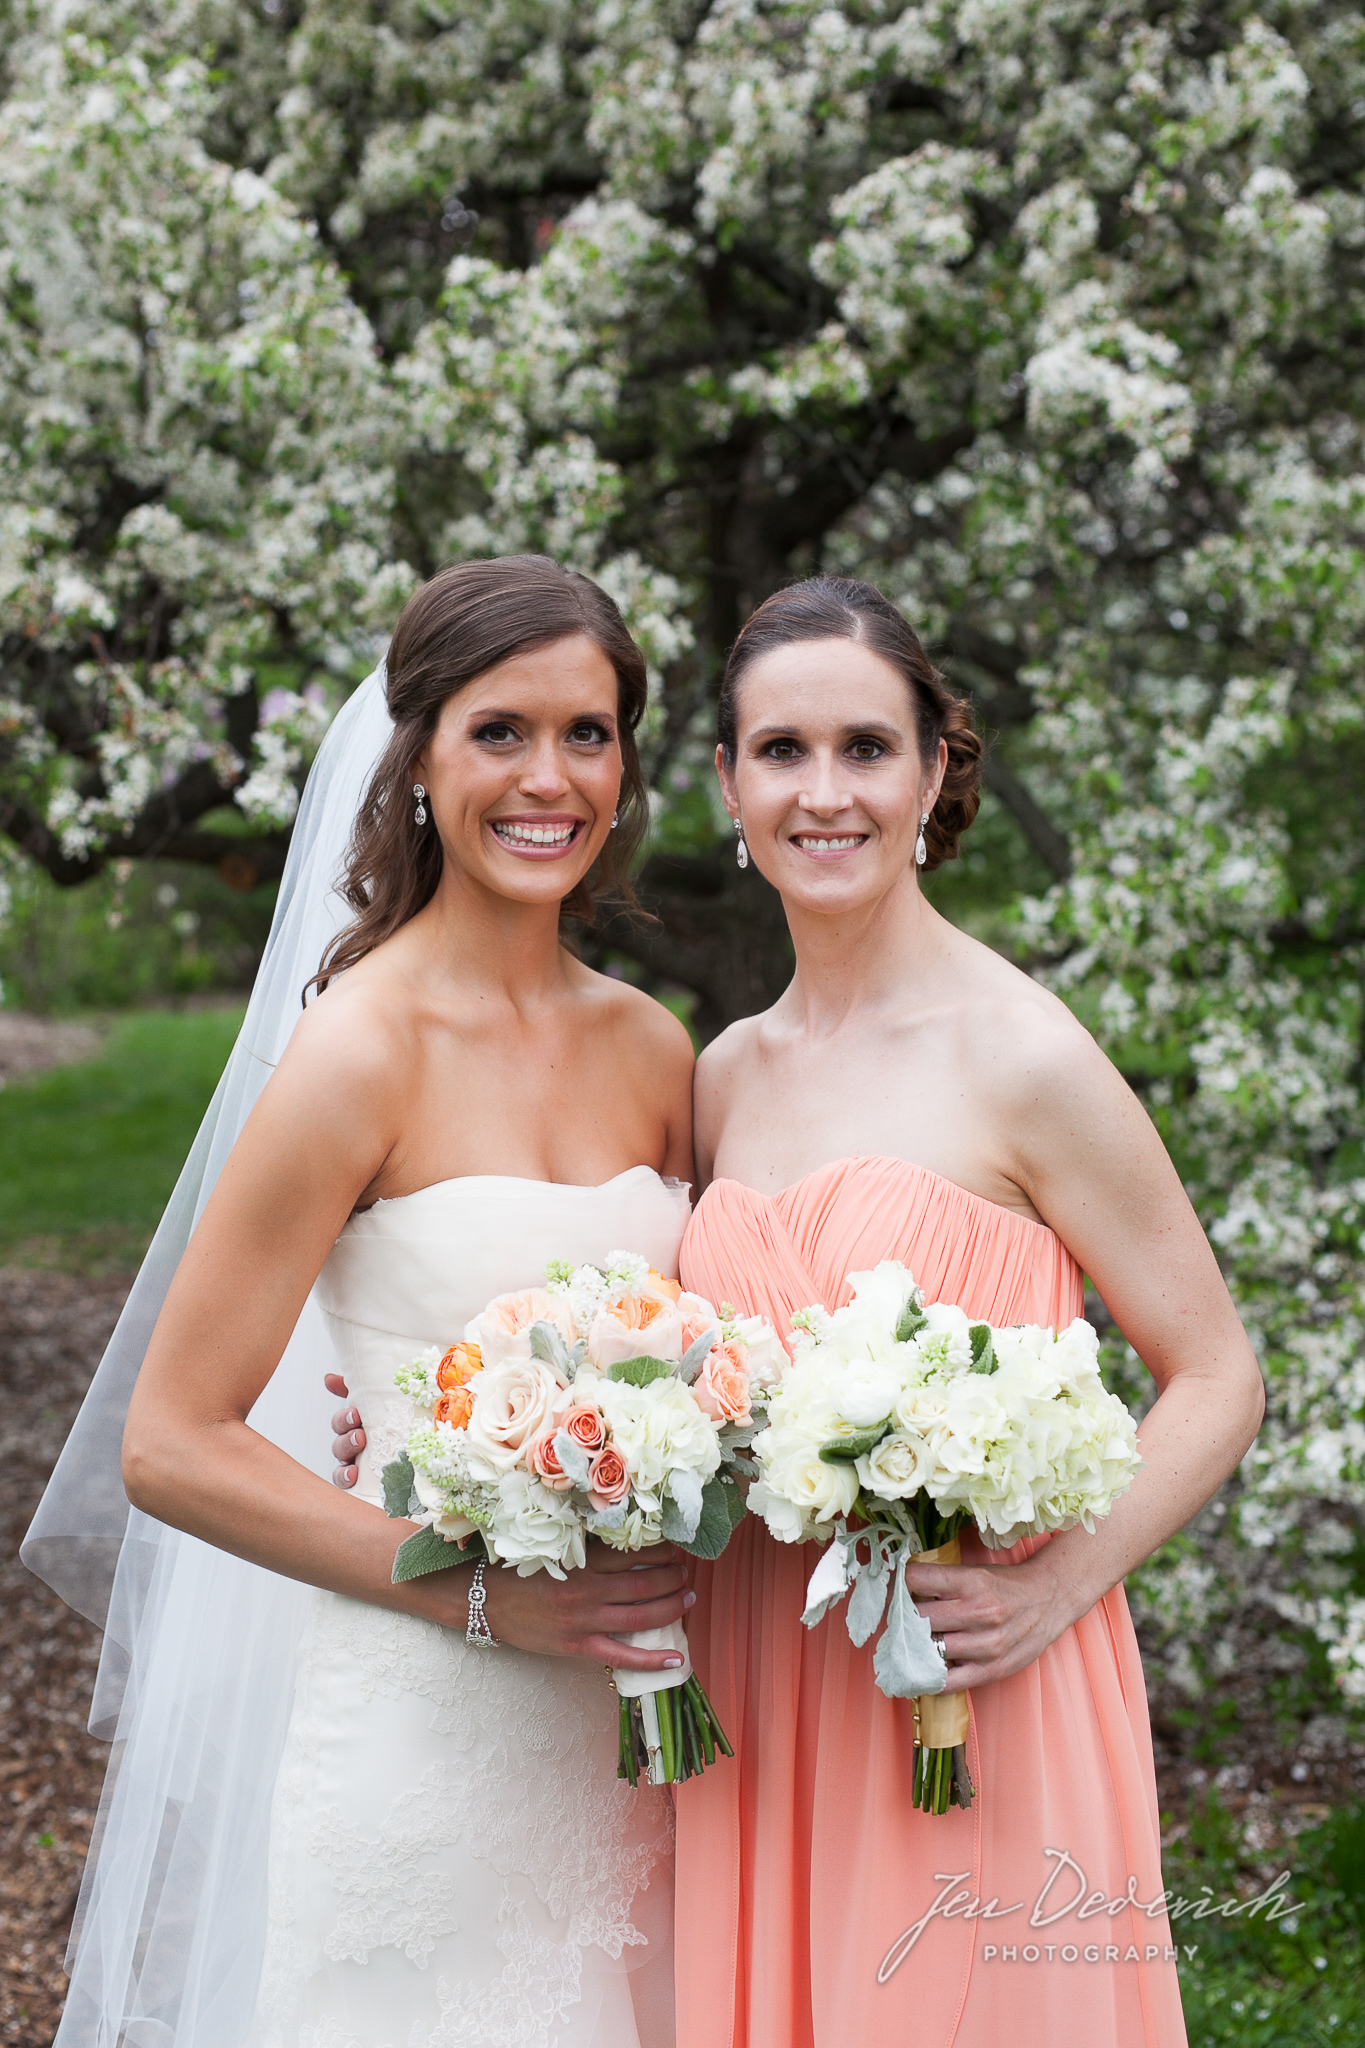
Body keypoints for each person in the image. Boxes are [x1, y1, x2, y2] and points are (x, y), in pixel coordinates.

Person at [29, 556, 697, 2048]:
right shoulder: (358, 1050)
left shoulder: (656, 1050)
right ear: (415, 763)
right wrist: (474, 1588)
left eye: (587, 734)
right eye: (498, 732)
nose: (550, 779)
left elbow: (714, 1357)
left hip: (645, 1725)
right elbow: (174, 1442)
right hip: (426, 1725)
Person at [668, 576, 1265, 2048]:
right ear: (728, 785)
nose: (824, 794)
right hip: (757, 1671)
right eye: (781, 752)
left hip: (967, 1678)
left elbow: (1215, 1374)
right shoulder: (723, 1073)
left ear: (935, 773)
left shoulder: (1023, 1057)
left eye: (866, 749)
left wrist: (1050, 1594)